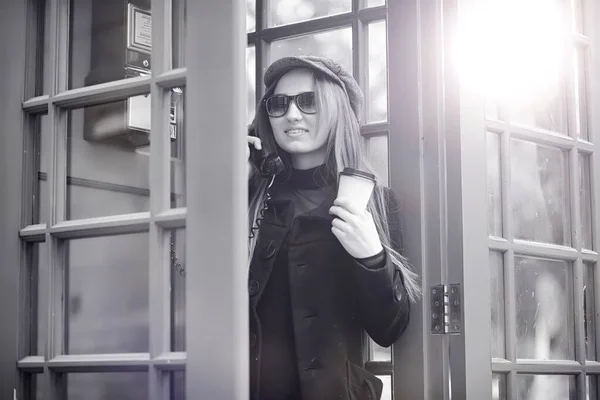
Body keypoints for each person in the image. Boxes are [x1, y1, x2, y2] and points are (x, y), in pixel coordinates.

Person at [246, 55, 420, 400]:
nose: (292, 115)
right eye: (278, 104)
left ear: (335, 109)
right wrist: (238, 181)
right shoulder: (253, 194)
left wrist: (372, 258)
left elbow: (389, 329)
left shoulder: (376, 204)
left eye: (308, 101)